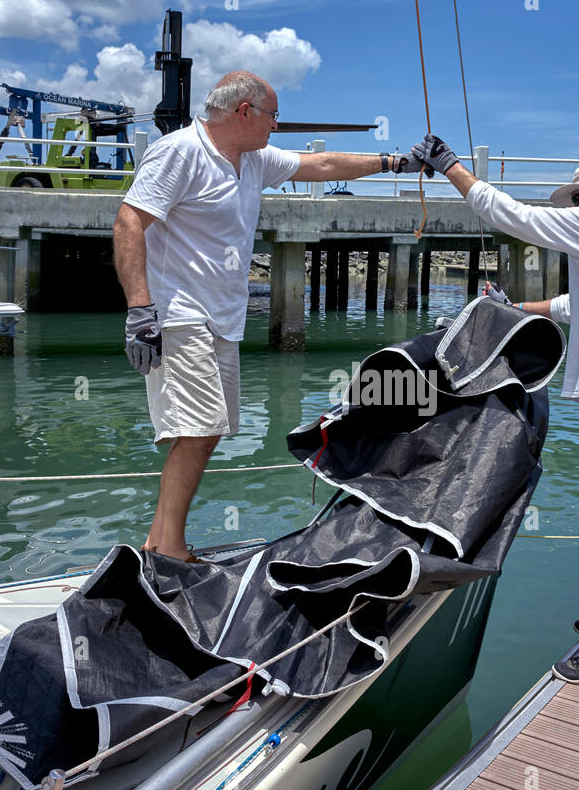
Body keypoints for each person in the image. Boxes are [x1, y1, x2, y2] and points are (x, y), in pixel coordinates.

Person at [114, 71, 429, 561]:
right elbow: (129, 220)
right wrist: (140, 310)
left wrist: (394, 163)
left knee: (210, 429)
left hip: (222, 319)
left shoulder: (253, 160)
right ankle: (170, 550)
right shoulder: (180, 152)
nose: (277, 125)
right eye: (273, 115)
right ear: (244, 111)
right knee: (199, 427)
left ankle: (159, 542)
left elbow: (323, 163)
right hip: (178, 313)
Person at [411, 136, 579, 685]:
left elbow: (515, 216)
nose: (573, 210)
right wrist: (511, 307)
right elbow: (572, 305)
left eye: (578, 199)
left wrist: (450, 167)